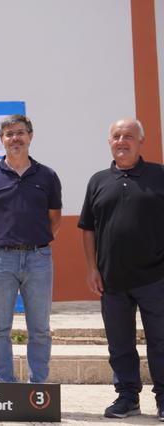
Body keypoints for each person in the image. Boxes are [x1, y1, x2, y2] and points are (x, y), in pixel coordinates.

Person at [79, 118, 164, 421]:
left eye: (129, 136)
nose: (122, 141)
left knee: (160, 341)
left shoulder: (159, 175)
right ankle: (127, 398)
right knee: (119, 344)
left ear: (141, 141)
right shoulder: (98, 180)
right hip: (111, 280)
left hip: (156, 279)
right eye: (116, 136)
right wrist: (92, 269)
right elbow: (87, 228)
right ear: (110, 142)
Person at [0, 114, 61, 383]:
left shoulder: (47, 176)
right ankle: (6, 387)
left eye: (20, 133)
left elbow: (54, 219)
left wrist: (36, 243)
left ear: (30, 136)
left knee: (41, 328)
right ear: (1, 140)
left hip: (39, 259)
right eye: (9, 134)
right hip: (1, 259)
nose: (15, 139)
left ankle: (37, 388)